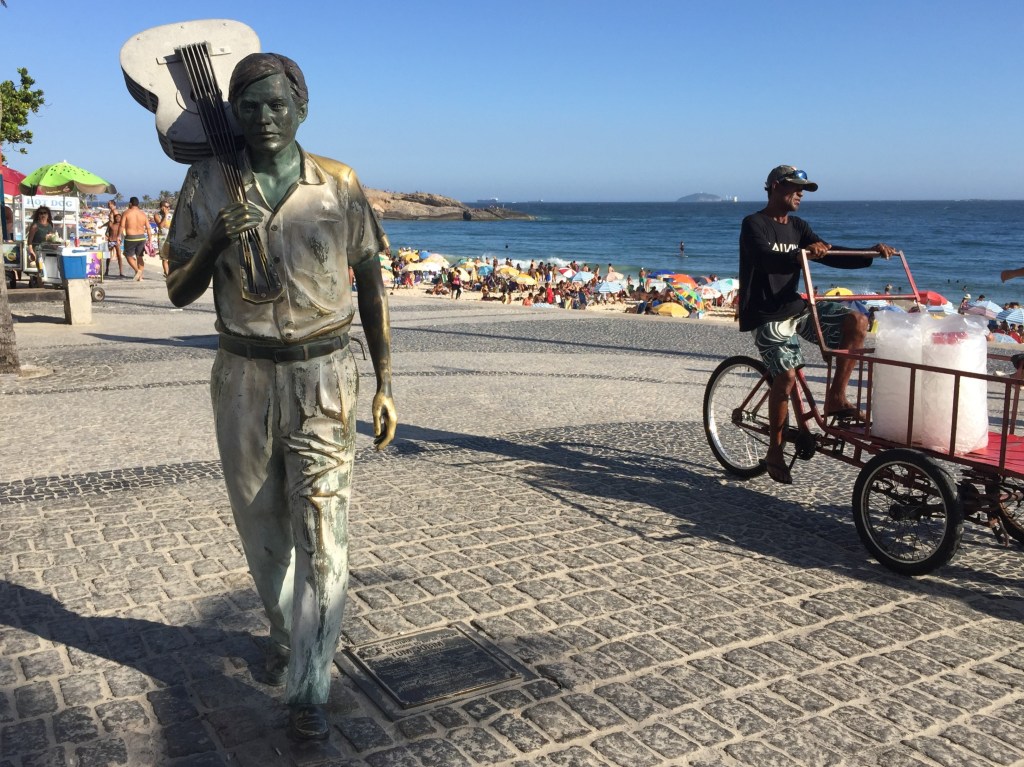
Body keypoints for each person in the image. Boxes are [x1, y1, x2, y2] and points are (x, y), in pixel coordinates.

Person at [165, 52, 396, 741]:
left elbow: (371, 282)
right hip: (242, 377)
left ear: (302, 109)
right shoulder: (206, 181)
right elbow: (178, 289)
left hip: (325, 373)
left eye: (277, 105)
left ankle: (311, 685)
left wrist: (386, 381)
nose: (264, 118)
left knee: (326, 538)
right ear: (232, 113)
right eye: (250, 106)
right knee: (264, 533)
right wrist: (212, 245)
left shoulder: (337, 182)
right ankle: (281, 627)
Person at [739, 165, 895, 484]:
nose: (800, 194)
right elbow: (762, 257)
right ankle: (775, 450)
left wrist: (870, 253)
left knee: (856, 320)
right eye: (796, 188)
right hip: (765, 313)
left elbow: (830, 253)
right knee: (785, 379)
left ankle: (836, 399)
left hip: (796, 307)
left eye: (804, 190)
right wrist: (799, 255)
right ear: (774, 186)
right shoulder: (754, 223)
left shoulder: (798, 226)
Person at [121, 196, 151, 280]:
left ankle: (137, 271)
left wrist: (119, 237)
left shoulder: (126, 213)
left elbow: (122, 226)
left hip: (131, 237)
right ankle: (140, 277)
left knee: (128, 256)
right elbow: (148, 227)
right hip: (141, 237)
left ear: (130, 204)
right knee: (140, 256)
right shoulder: (143, 214)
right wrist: (150, 238)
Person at [26, 206, 55, 270]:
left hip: (48, 250)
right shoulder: (35, 225)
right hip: (38, 250)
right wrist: (31, 252)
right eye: (41, 213)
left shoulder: (50, 224)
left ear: (48, 214)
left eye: (45, 213)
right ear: (38, 215)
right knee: (41, 269)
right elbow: (29, 241)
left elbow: (52, 238)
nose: (43, 215)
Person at [153, 199, 173, 276]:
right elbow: (161, 226)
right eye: (167, 207)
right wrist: (165, 216)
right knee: (164, 257)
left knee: (171, 256)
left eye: (169, 207)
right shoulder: (157, 215)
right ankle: (167, 273)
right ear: (162, 207)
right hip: (162, 237)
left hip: (170, 237)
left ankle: (169, 271)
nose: (168, 208)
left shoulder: (170, 215)